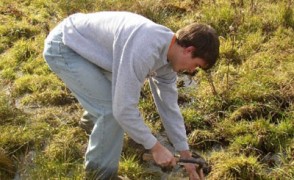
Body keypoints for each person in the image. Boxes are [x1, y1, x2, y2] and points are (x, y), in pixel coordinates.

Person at [43, 11, 219, 180]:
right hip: (66, 45)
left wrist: (186, 156)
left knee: (115, 98)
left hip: (91, 49)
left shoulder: (168, 60)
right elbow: (123, 110)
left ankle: (93, 126)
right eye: (195, 65)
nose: (191, 71)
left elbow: (169, 107)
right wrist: (155, 147)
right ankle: (100, 175)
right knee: (110, 111)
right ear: (189, 50)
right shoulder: (145, 48)